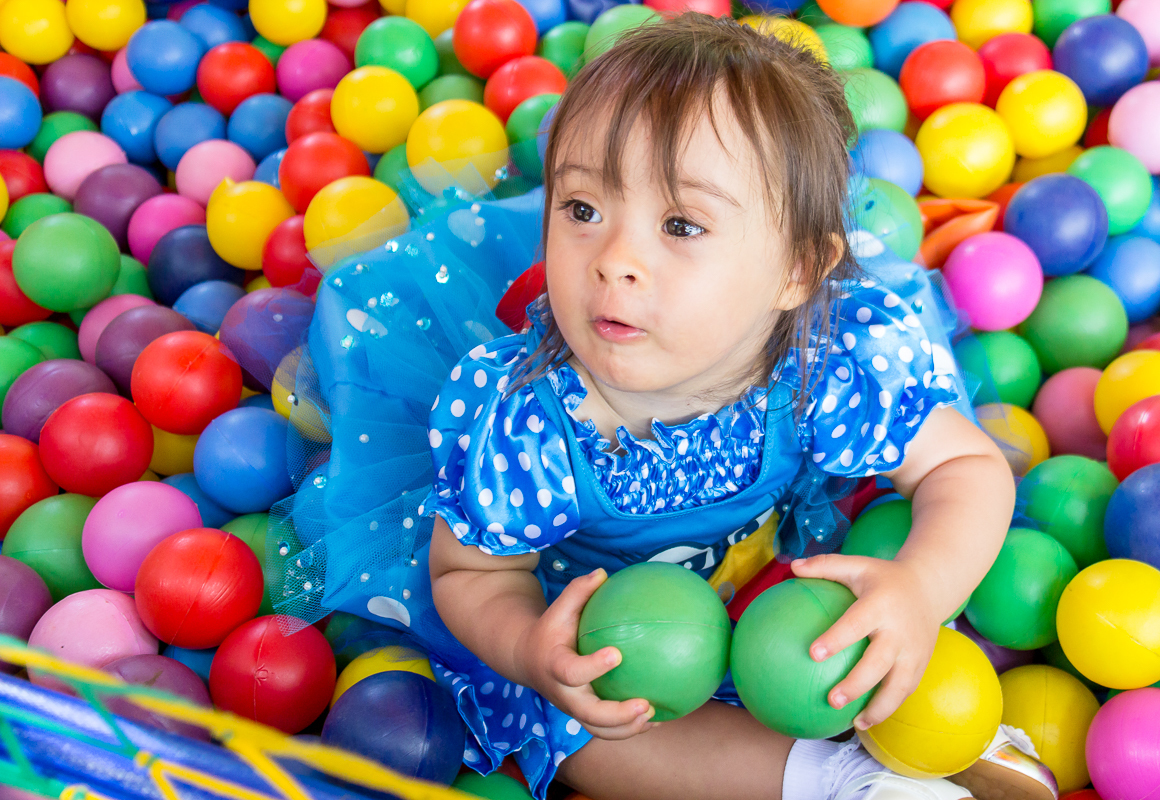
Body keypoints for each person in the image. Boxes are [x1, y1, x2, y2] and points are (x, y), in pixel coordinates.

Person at [272, 14, 1057, 800]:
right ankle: (837, 777)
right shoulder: (528, 416)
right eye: (582, 210)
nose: (615, 260)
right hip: (607, 626)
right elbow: (471, 569)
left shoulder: (823, 357)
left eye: (681, 225)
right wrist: (528, 647)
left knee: (880, 609)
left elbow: (965, 466)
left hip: (780, 585)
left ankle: (935, 729)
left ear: (795, 273)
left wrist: (921, 589)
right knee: (583, 730)